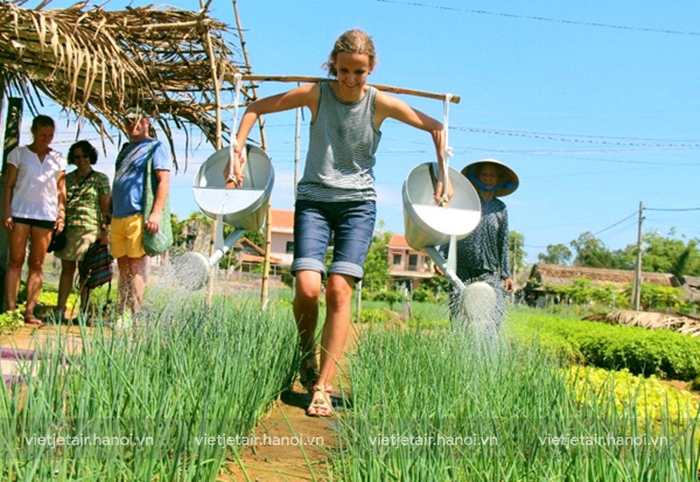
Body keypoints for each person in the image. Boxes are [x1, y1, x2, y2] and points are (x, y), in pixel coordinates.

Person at [226, 29, 452, 417]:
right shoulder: (317, 94)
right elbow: (254, 109)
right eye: (343, 70)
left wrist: (444, 175)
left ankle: (323, 386)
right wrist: (237, 151)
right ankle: (306, 354)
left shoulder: (380, 104)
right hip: (314, 200)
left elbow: (436, 126)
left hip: (357, 206)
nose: (349, 79)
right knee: (308, 288)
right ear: (333, 64)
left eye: (359, 72)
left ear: (372, 69)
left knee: (338, 290)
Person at [3, 115, 67, 326]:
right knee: (15, 260)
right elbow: (9, 185)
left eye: (50, 136)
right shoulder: (18, 154)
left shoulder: (58, 158)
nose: (46, 139)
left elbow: (61, 190)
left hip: (45, 215)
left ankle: (30, 311)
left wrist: (61, 213)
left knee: (37, 263)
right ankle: (11, 310)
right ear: (34, 133)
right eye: (42, 135)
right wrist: (7, 212)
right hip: (20, 211)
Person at [441, 158, 518, 329]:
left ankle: (489, 349)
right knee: (460, 314)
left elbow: (503, 241)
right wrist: (442, 256)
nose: (488, 178)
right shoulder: (467, 203)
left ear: (498, 180)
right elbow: (451, 227)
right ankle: (458, 347)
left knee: (494, 314)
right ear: (477, 177)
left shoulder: (500, 209)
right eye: (484, 174)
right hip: (462, 267)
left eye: (492, 175)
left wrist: (506, 274)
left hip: (488, 270)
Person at [110, 107, 171, 320]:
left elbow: (163, 180)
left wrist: (156, 213)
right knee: (123, 267)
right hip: (118, 215)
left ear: (147, 122)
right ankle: (120, 312)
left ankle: (134, 315)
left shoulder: (155, 147)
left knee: (137, 267)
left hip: (138, 214)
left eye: (136, 120)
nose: (131, 125)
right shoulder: (126, 148)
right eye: (127, 121)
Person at [54, 140, 112, 318]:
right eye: (77, 157)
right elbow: (60, 202)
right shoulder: (67, 179)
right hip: (69, 230)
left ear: (91, 157)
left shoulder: (100, 179)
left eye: (85, 156)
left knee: (85, 272)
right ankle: (60, 309)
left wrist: (105, 230)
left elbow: (106, 207)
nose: (81, 160)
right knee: (67, 270)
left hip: (90, 231)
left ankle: (83, 310)